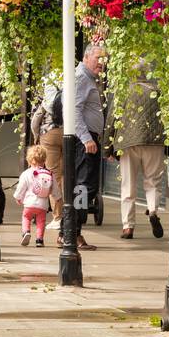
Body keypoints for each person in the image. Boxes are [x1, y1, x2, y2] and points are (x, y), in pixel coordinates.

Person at [115, 63, 166, 240]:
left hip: (129, 142)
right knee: (153, 181)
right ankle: (152, 210)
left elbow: (113, 118)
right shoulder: (158, 91)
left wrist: (108, 146)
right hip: (154, 142)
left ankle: (128, 227)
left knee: (128, 184)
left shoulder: (124, 91)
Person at [68, 43, 108, 251]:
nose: (101, 63)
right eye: (98, 58)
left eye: (103, 59)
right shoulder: (82, 77)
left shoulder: (87, 78)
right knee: (84, 187)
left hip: (89, 140)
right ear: (86, 57)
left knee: (83, 187)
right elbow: (73, 109)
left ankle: (70, 232)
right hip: (86, 142)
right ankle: (73, 233)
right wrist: (86, 138)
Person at [31, 77, 65, 227]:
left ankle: (58, 217)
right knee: (66, 174)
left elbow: (35, 119)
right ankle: (71, 213)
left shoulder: (46, 98)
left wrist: (36, 136)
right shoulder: (69, 94)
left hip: (48, 135)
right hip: (68, 134)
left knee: (53, 176)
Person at [13, 145, 54, 248]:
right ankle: (39, 240)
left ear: (29, 160)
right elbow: (55, 188)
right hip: (43, 205)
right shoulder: (49, 173)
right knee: (41, 222)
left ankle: (26, 232)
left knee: (26, 217)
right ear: (44, 160)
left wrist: (18, 197)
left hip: (29, 204)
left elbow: (21, 187)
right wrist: (57, 198)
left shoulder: (26, 174)